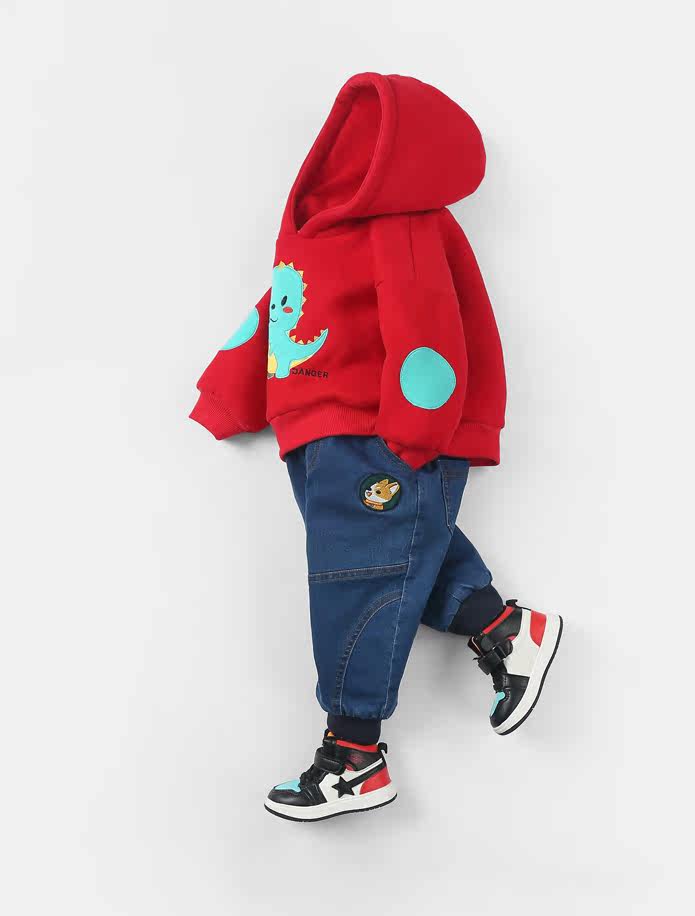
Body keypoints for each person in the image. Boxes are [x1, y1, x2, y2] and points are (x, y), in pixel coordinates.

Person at [190, 72, 562, 822]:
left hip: (378, 429)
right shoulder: (311, 233)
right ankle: (504, 630)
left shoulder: (404, 224)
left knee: (355, 577)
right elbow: (282, 309)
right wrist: (228, 391)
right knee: (386, 557)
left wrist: (415, 427)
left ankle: (355, 753)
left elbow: (424, 315)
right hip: (319, 436)